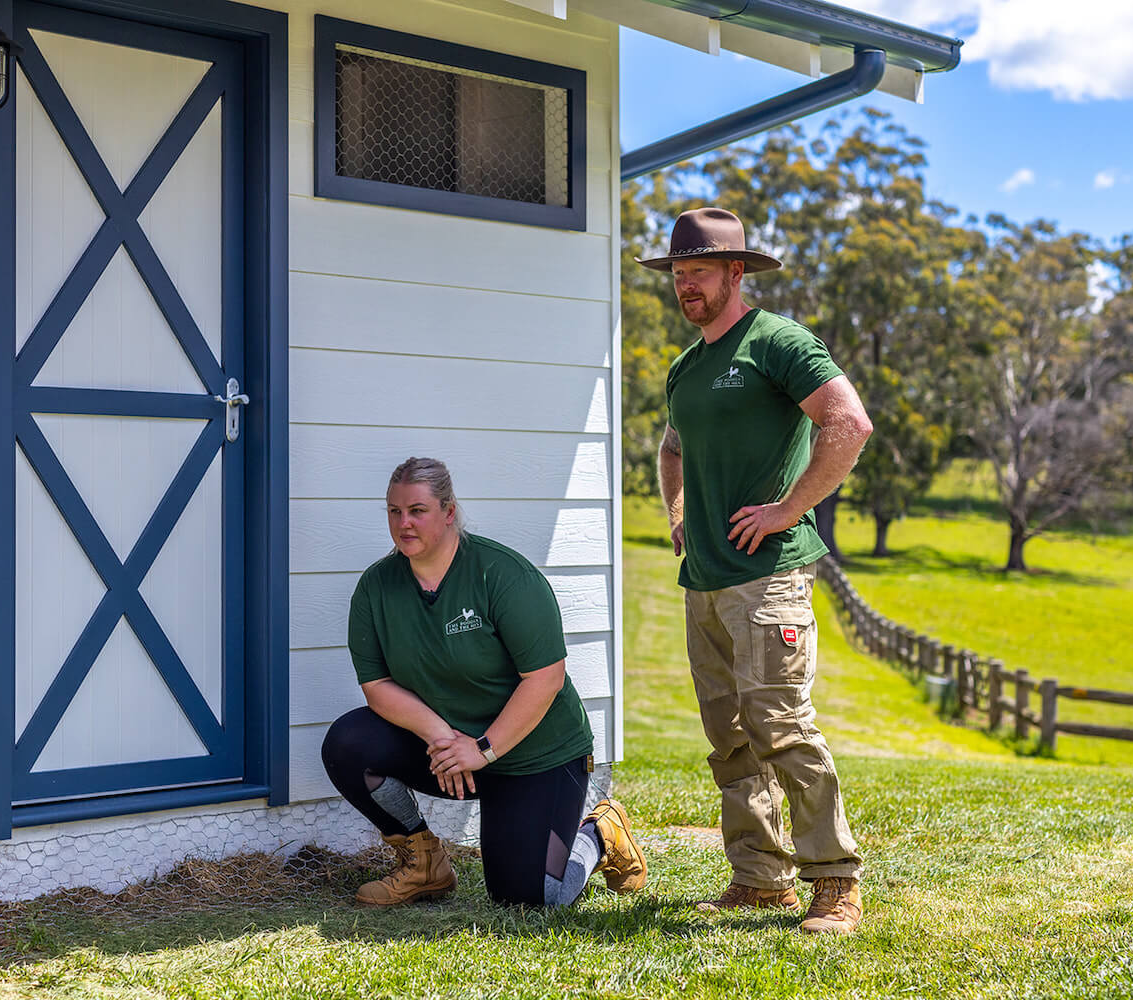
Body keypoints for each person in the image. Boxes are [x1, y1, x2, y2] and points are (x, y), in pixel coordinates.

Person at [638, 207, 872, 935]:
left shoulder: (775, 341)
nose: (686, 288)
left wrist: (784, 509)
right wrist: (677, 514)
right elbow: (673, 449)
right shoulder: (688, 365)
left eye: (699, 274)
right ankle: (760, 877)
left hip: (767, 576)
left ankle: (834, 881)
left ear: (736, 272)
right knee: (730, 738)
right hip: (703, 581)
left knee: (782, 725)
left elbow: (848, 422)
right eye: (678, 276)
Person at [321, 457, 646, 908]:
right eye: (395, 511)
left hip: (533, 751)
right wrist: (444, 739)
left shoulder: (503, 575)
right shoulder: (377, 586)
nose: (403, 523)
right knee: (349, 743)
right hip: (452, 747)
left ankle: (599, 833)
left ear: (449, 511)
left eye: (418, 510)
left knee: (531, 897)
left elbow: (546, 678)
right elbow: (377, 686)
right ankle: (424, 864)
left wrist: (482, 749)